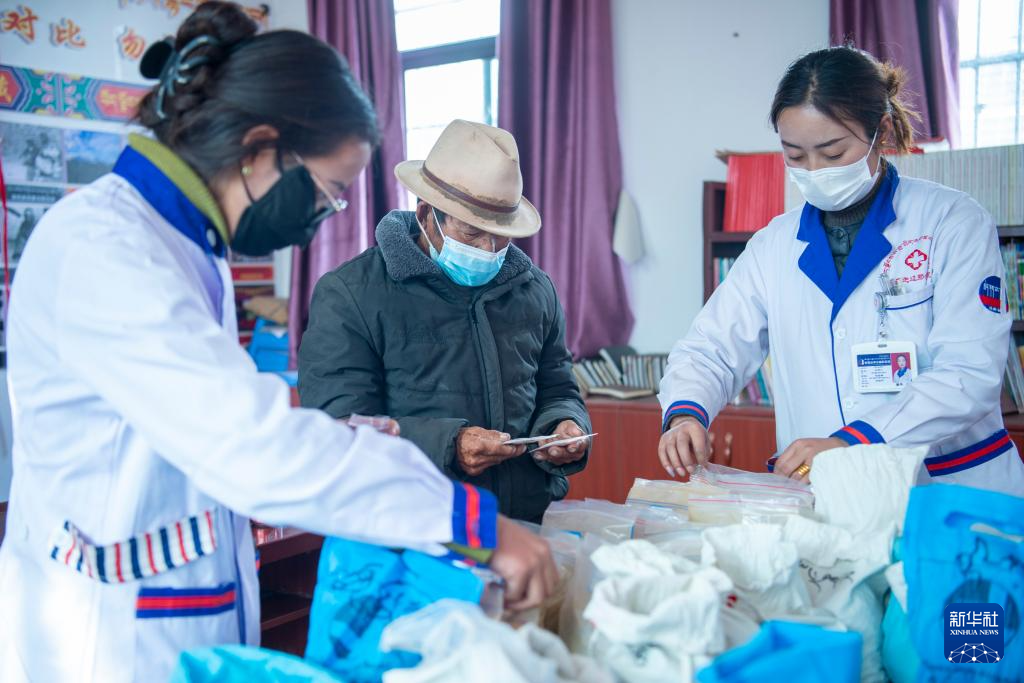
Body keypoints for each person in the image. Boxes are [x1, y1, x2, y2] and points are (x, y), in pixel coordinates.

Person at [0, 5, 554, 682]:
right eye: (327, 191)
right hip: (101, 636)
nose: (323, 217)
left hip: (167, 598)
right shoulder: (104, 249)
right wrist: (474, 524)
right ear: (260, 149)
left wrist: (348, 437)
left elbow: (201, 425)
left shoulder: (186, 245)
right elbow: (248, 444)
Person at [658, 46, 1024, 495]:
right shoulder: (774, 245)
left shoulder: (951, 222)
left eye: (832, 153)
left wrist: (854, 441)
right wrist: (686, 413)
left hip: (945, 488)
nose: (814, 171)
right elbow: (711, 348)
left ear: (880, 131)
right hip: (826, 494)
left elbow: (968, 373)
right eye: (795, 155)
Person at [298, 119, 591, 523]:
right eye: (473, 233)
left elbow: (557, 386)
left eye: (501, 235)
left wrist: (564, 425)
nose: (489, 249)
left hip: (525, 523)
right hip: (412, 528)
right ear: (426, 214)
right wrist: (448, 445)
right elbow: (338, 428)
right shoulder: (351, 294)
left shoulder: (535, 290)